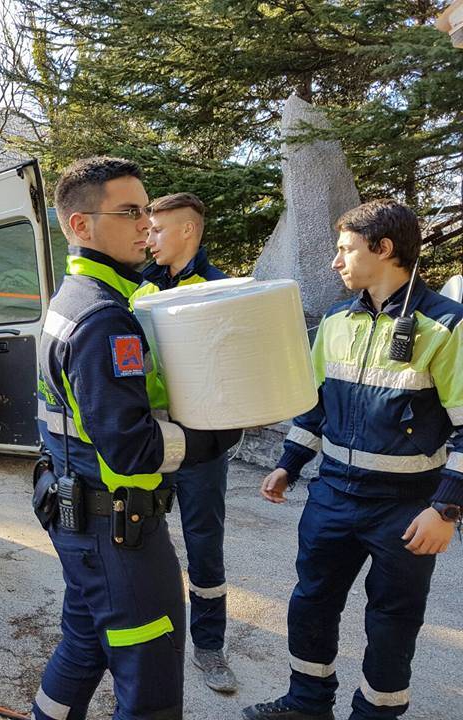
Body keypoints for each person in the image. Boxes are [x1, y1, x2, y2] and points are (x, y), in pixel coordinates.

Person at [32, 157, 240, 720]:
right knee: (150, 684)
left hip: (86, 522)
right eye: (130, 212)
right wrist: (215, 436)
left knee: (82, 646)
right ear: (80, 226)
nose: (146, 224)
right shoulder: (104, 318)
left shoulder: (74, 300)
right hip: (117, 531)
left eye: (147, 210)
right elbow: (131, 446)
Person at [243, 199, 463, 720]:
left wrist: (446, 510)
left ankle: (375, 714)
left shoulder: (447, 327)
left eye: (346, 249)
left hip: (406, 511)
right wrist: (289, 463)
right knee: (311, 602)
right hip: (333, 497)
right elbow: (319, 406)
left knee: (392, 620)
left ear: (383, 250)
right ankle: (307, 704)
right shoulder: (338, 320)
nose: (336, 262)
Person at [128, 192, 237, 693]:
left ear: (189, 231)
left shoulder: (221, 290)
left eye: (158, 230)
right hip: (148, 438)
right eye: (147, 230)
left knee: (203, 544)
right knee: (142, 533)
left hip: (201, 446)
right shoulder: (136, 288)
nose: (148, 238)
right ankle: (148, 633)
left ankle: (209, 647)